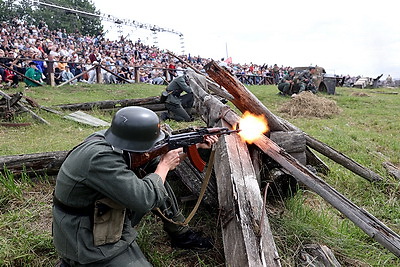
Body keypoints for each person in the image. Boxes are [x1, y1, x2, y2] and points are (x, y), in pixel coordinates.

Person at [52, 106, 217, 267]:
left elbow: (149, 159)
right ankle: (74, 261)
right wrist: (165, 165)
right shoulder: (100, 158)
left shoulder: (116, 140)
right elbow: (144, 199)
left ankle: (181, 234)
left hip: (103, 215)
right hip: (85, 239)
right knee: (155, 181)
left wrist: (190, 146)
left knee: (156, 178)